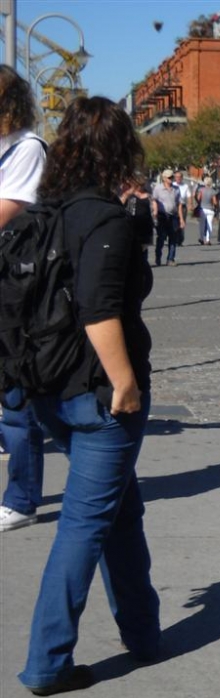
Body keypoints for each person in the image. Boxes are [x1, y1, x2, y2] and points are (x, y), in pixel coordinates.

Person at [17, 96, 160, 696]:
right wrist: (124, 383)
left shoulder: (45, 211)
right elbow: (101, 310)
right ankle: (47, 664)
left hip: (49, 386)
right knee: (84, 525)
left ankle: (144, 633)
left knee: (119, 511)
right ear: (117, 148)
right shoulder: (102, 218)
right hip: (99, 395)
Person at [0, 63, 48, 534]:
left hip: (16, 287)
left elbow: (8, 210)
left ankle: (22, 497)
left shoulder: (26, 149)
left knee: (19, 400)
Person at [120, 172, 155, 263]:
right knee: (132, 248)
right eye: (139, 185)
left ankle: (143, 266)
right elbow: (120, 205)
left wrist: (155, 215)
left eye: (142, 185)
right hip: (132, 225)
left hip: (145, 225)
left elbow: (153, 209)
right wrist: (127, 194)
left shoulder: (148, 196)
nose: (141, 187)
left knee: (144, 249)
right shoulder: (129, 195)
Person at [151, 168, 183, 266]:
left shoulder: (176, 189)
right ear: (164, 178)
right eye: (169, 177)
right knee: (161, 238)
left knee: (173, 238)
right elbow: (154, 200)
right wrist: (155, 211)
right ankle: (158, 257)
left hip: (173, 216)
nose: (171, 179)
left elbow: (179, 204)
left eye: (172, 177)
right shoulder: (158, 188)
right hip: (162, 216)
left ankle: (170, 259)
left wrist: (181, 219)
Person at [196, 176, 217, 245]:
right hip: (210, 209)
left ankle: (201, 238)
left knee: (202, 224)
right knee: (209, 224)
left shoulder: (201, 190)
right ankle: (208, 239)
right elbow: (215, 202)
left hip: (202, 208)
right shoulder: (213, 191)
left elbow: (198, 199)